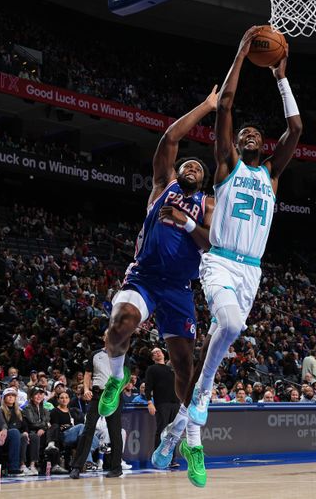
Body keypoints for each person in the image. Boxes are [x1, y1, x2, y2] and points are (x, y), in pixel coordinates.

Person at [169, 25, 302, 488]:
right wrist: (243, 54)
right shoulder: (225, 167)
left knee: (228, 330)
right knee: (230, 326)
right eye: (242, 133)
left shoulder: (271, 174)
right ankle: (201, 398)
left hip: (253, 272)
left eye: (253, 134)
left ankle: (182, 427)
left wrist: (281, 79)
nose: (247, 135)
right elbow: (225, 105)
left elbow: (297, 128)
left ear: (262, 146)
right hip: (221, 260)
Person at [97, 89, 217, 427]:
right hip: (144, 278)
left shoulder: (208, 205)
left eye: (196, 167)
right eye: (186, 165)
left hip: (179, 288)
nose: (190, 167)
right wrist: (206, 106)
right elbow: (169, 138)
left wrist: (186, 221)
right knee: (120, 325)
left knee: (183, 366)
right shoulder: (163, 185)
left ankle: (185, 431)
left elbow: (210, 244)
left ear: (203, 180)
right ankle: (117, 377)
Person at [70, 331, 123, 479]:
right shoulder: (95, 354)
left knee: (114, 432)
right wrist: (86, 389)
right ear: (104, 337)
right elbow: (88, 374)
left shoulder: (122, 355)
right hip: (97, 395)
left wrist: (115, 392)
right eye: (107, 334)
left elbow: (126, 378)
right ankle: (77, 467)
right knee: (88, 429)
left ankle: (116, 467)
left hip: (114, 396)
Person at [145, 347, 180, 466]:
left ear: (163, 354)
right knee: (161, 431)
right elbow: (148, 387)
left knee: (174, 433)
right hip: (162, 404)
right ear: (152, 358)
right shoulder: (152, 369)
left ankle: (172, 459)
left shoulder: (172, 369)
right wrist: (149, 402)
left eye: (158, 351)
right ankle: (158, 459)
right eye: (154, 353)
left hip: (175, 404)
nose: (157, 353)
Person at [21, 387, 48, 475]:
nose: (39, 396)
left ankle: (35, 465)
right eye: (36, 394)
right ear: (31, 397)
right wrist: (44, 425)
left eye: (40, 394)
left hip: (39, 431)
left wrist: (43, 428)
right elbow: (33, 423)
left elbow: (47, 420)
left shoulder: (43, 409)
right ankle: (29, 465)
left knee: (54, 429)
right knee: (34, 436)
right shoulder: (27, 408)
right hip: (29, 431)